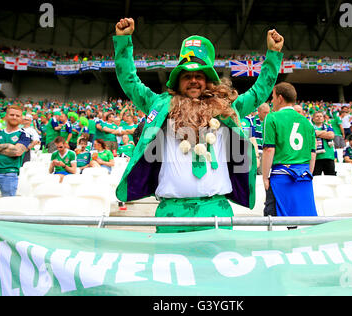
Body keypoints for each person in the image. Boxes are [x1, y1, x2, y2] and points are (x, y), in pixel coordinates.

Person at [113, 17, 284, 233]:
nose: (193, 80)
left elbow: (259, 92)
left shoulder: (227, 109)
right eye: (187, 76)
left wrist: (273, 55)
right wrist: (123, 41)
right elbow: (130, 82)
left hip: (216, 210)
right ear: (177, 81)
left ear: (208, 81)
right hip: (171, 212)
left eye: (199, 76)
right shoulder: (160, 106)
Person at [262, 82, 317, 217]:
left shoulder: (272, 117)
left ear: (280, 98)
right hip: (304, 178)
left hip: (281, 178)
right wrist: (308, 173)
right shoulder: (307, 122)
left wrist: (264, 177)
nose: (272, 101)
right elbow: (313, 153)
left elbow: (269, 149)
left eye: (273, 97)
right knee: (304, 221)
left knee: (275, 223)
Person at [0, 105, 31, 213]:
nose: (14, 117)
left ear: (21, 119)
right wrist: (8, 146)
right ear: (6, 117)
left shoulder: (24, 135)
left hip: (9, 173)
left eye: (17, 115)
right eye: (11, 114)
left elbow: (17, 152)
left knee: (7, 207)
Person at [312, 111, 336, 175]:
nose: (319, 118)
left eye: (321, 116)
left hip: (328, 156)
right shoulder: (310, 127)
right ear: (313, 119)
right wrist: (325, 132)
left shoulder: (328, 126)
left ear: (323, 118)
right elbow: (313, 134)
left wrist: (317, 133)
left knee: (330, 178)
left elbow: (331, 136)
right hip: (316, 157)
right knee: (316, 179)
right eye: (317, 116)